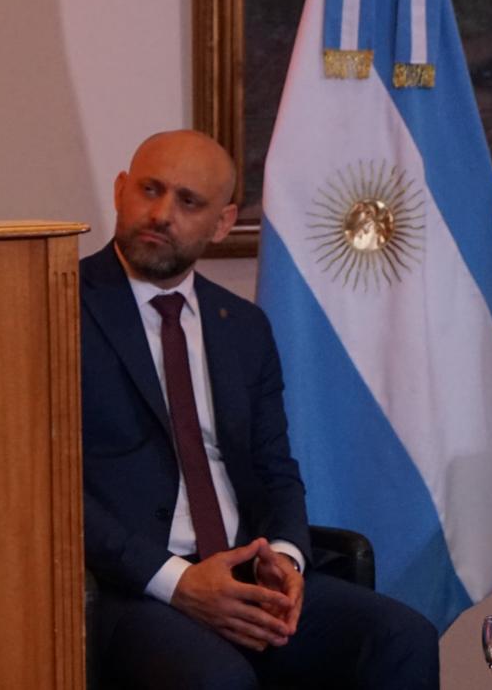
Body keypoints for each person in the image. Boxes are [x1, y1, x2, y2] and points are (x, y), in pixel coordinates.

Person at [81, 130, 438, 689]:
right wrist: (177, 581)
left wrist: (287, 560)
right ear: (120, 190)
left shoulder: (243, 326)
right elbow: (47, 490)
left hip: (246, 571)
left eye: (189, 201)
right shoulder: (61, 304)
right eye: (150, 190)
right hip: (135, 588)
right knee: (218, 680)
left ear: (222, 223)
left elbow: (277, 468)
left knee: (402, 637)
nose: (162, 214)